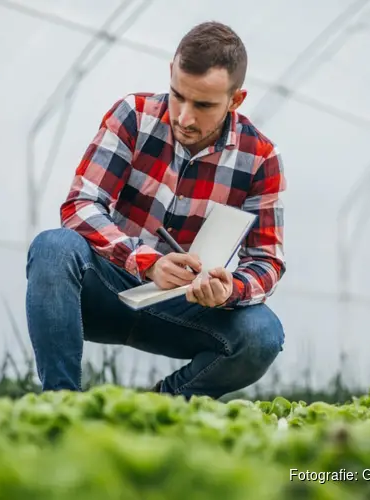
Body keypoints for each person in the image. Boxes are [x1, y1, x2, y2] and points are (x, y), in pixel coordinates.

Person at [25, 21, 287, 400]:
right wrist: (146, 262)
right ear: (170, 73)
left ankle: (162, 403)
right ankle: (60, 403)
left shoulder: (261, 159)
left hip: (186, 308)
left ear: (236, 100)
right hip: (110, 288)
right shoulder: (134, 115)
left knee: (263, 334)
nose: (184, 117)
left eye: (203, 105)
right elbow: (81, 205)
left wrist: (230, 288)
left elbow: (267, 261)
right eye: (178, 96)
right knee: (54, 247)